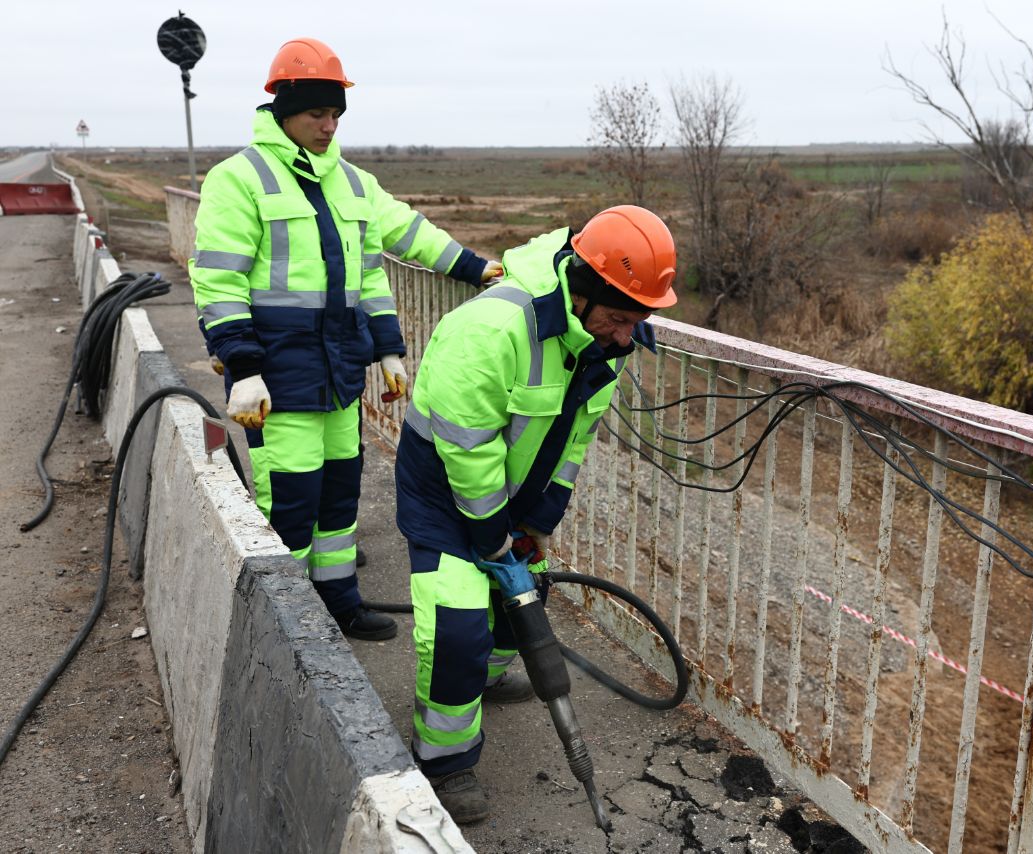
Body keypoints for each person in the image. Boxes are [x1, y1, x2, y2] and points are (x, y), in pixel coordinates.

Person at [190, 37, 500, 642]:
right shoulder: (238, 179)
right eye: (317, 114)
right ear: (284, 110)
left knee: (338, 497)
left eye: (336, 114)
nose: (329, 126)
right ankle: (284, 626)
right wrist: (242, 366)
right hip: (278, 375)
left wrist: (468, 273)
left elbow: (394, 247)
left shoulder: (351, 183)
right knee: (290, 502)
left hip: (338, 371)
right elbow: (218, 281)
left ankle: (337, 603)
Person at [394, 204, 677, 822]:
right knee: (457, 628)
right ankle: (445, 761)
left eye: (637, 322)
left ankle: (488, 679)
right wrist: (492, 539)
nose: (625, 337)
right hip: (443, 491)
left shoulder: (606, 343)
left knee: (524, 597)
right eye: (618, 319)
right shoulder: (490, 331)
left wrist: (539, 519)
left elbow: (575, 438)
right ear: (581, 287)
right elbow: (468, 452)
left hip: (513, 492)